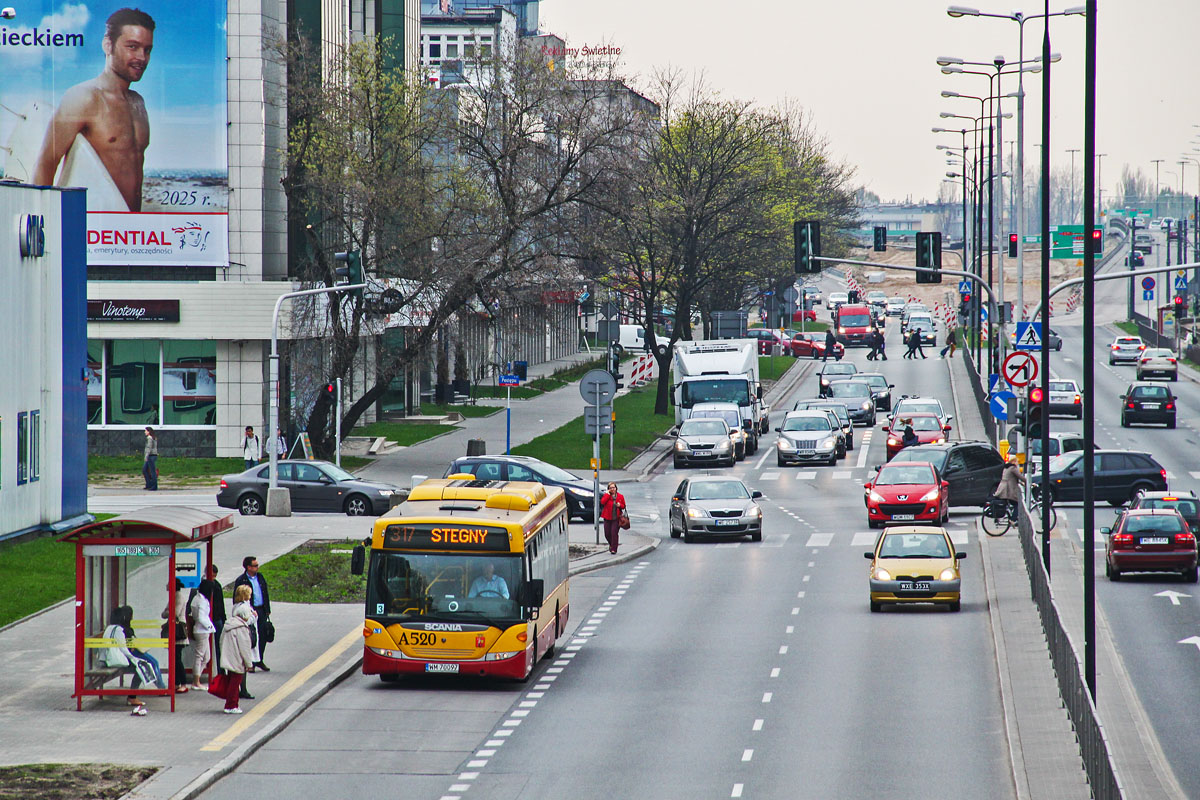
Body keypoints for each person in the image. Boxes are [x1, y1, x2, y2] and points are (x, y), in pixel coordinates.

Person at [31, 8, 156, 212]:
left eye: (147, 49)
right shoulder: (83, 97)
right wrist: (43, 224)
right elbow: (46, 163)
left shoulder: (138, 103)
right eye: (132, 47)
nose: (142, 57)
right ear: (108, 45)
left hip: (129, 227)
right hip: (90, 226)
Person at [100, 606, 165, 713]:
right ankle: (133, 697)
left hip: (113, 658)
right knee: (141, 666)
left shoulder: (110, 628)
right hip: (118, 659)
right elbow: (123, 649)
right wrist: (134, 659)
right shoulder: (119, 630)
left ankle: (139, 694)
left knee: (144, 664)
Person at [219, 585, 257, 714]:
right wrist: (248, 663)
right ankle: (231, 705)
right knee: (235, 683)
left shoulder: (229, 624)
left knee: (231, 681)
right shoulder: (242, 628)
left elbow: (221, 641)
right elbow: (245, 647)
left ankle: (230, 704)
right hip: (237, 659)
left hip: (228, 656)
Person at [234, 556, 272, 672]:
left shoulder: (260, 577)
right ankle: (251, 662)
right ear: (248, 567)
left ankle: (259, 659)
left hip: (261, 609)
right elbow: (237, 597)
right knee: (252, 637)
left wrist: (267, 609)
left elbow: (265, 593)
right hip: (249, 610)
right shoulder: (242, 580)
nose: (257, 567)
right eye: (255, 565)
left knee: (263, 634)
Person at [160, 579, 189, 692]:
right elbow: (164, 614)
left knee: (177, 659)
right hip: (173, 631)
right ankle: (176, 682)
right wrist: (167, 611)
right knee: (174, 658)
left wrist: (167, 611)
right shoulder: (173, 596)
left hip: (178, 632)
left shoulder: (178, 597)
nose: (166, 585)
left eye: (168, 583)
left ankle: (183, 683)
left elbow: (174, 613)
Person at [189, 580, 217, 690]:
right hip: (202, 631)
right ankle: (196, 682)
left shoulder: (197, 598)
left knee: (206, 657)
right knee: (200, 656)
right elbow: (201, 617)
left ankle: (197, 678)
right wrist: (209, 627)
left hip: (201, 630)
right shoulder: (201, 601)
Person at [208, 564, 227, 672]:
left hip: (217, 619)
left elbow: (221, 604)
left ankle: (220, 669)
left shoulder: (217, 585)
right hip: (208, 620)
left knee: (219, 644)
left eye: (215, 576)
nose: (213, 578)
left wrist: (223, 618)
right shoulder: (202, 585)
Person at [993, 456, 1025, 521]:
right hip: (1008, 490)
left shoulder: (1006, 468)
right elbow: (1020, 477)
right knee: (1017, 504)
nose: (1017, 463)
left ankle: (1010, 517)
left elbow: (1011, 478)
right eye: (1016, 462)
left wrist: (1021, 483)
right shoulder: (1013, 468)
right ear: (1013, 462)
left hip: (1002, 489)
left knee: (1012, 503)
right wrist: (1029, 482)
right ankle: (1012, 520)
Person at [599, 482, 627, 555]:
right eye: (610, 488)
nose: (612, 489)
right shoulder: (607, 496)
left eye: (613, 487)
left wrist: (619, 505)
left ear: (616, 488)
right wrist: (608, 495)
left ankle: (614, 548)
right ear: (608, 489)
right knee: (607, 533)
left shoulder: (620, 496)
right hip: (607, 517)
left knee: (614, 533)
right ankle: (611, 544)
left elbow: (624, 506)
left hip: (616, 518)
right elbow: (602, 502)